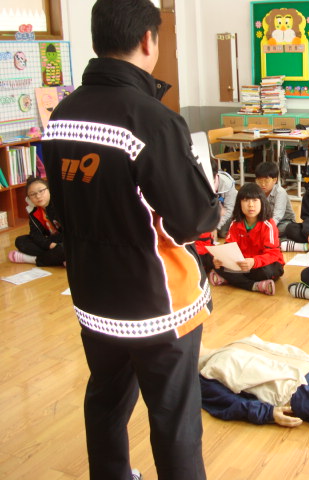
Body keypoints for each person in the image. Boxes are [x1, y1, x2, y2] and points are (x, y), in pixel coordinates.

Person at [40, 1, 219, 479]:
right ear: (147, 40)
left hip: (93, 299)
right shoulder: (153, 120)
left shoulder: (62, 115)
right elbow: (193, 221)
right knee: (174, 418)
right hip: (158, 305)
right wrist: (210, 197)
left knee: (105, 400)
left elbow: (59, 209)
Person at [210, 183, 285, 296]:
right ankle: (255, 286)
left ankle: (231, 280)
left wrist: (254, 262)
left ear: (262, 202)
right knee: (217, 266)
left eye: (255, 200)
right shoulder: (235, 224)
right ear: (239, 203)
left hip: (264, 264)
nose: (250, 205)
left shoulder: (268, 225)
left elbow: (273, 254)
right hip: (243, 264)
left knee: (266, 272)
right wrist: (220, 259)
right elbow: (229, 248)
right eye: (246, 200)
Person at [8, 176, 65, 267]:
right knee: (20, 241)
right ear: (29, 198)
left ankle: (33, 259)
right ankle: (60, 259)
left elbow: (70, 234)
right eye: (32, 194)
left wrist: (56, 246)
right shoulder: (33, 210)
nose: (38, 196)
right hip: (52, 241)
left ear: (49, 190)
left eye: (41, 191)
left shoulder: (60, 206)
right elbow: (35, 234)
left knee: (65, 249)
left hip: (66, 240)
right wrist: (50, 245)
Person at [194, 162, 237, 273]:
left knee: (222, 233)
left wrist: (214, 225)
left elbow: (229, 209)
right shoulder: (195, 182)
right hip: (210, 216)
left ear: (215, 175)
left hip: (227, 215)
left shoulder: (227, 184)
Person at [254, 161, 296, 237]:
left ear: (274, 180)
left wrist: (265, 228)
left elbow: (277, 216)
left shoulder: (280, 192)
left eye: (266, 181)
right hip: (266, 221)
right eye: (259, 181)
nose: (263, 184)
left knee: (284, 229)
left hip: (284, 221)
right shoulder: (256, 191)